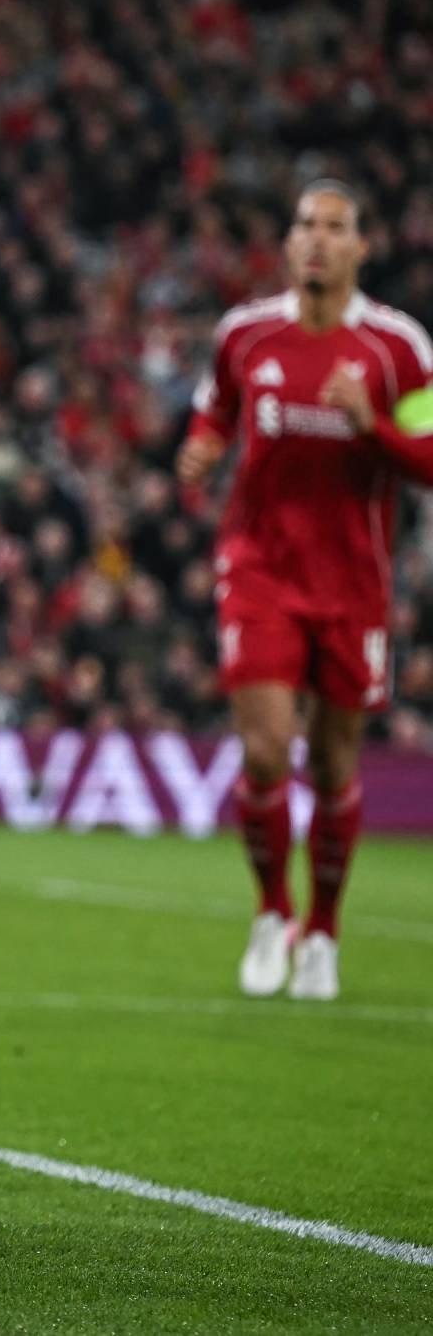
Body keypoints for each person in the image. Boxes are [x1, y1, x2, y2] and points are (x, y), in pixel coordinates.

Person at [177, 181, 433, 1003]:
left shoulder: (400, 350)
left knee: (332, 767)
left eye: (336, 228)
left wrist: (373, 425)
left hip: (353, 584)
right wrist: (202, 449)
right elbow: (215, 411)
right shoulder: (246, 334)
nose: (318, 240)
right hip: (258, 569)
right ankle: (272, 912)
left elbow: (428, 459)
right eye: (305, 227)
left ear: (362, 246)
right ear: (288, 245)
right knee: (262, 750)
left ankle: (323, 928)